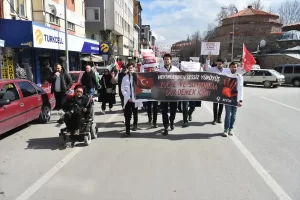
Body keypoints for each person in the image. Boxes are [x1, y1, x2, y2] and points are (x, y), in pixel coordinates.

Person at [206, 55, 245, 125]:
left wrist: (242, 64)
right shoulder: (213, 69)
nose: (219, 65)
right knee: (215, 105)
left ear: (223, 64)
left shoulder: (226, 70)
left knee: (221, 105)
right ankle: (214, 119)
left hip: (224, 90)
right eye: (217, 64)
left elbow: (237, 71)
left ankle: (219, 118)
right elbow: (207, 68)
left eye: (220, 64)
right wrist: (208, 59)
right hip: (216, 89)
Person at [159, 54, 180, 136]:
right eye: (165, 59)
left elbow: (180, 80)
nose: (166, 60)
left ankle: (171, 121)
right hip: (163, 94)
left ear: (171, 60)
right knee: (164, 111)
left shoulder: (176, 69)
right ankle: (166, 127)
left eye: (168, 59)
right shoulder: (160, 70)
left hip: (173, 94)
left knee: (173, 111)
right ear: (163, 60)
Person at [121, 63, 142, 137]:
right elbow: (122, 89)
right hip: (128, 100)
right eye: (129, 68)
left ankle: (135, 125)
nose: (130, 69)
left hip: (135, 99)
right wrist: (128, 97)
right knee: (127, 115)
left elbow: (140, 86)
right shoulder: (124, 78)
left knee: (135, 113)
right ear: (127, 69)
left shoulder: (137, 77)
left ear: (134, 68)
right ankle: (127, 130)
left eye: (131, 68)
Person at [223, 62, 244, 137]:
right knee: (228, 114)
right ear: (230, 68)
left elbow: (241, 89)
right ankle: (225, 129)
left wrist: (240, 100)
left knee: (233, 115)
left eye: (235, 67)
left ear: (237, 68)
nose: (234, 68)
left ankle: (230, 129)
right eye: (232, 67)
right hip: (227, 98)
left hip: (236, 98)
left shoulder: (240, 77)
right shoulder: (226, 76)